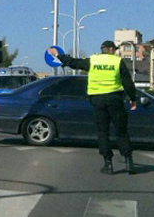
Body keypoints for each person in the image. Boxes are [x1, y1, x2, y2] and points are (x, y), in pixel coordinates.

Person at [47, 40, 137, 175]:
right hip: (115, 99)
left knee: (102, 132)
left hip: (98, 100)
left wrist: (57, 54)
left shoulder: (93, 61)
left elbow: (73, 62)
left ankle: (108, 164)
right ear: (112, 49)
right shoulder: (118, 62)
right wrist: (133, 99)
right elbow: (128, 82)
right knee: (121, 131)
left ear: (103, 49)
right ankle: (129, 162)